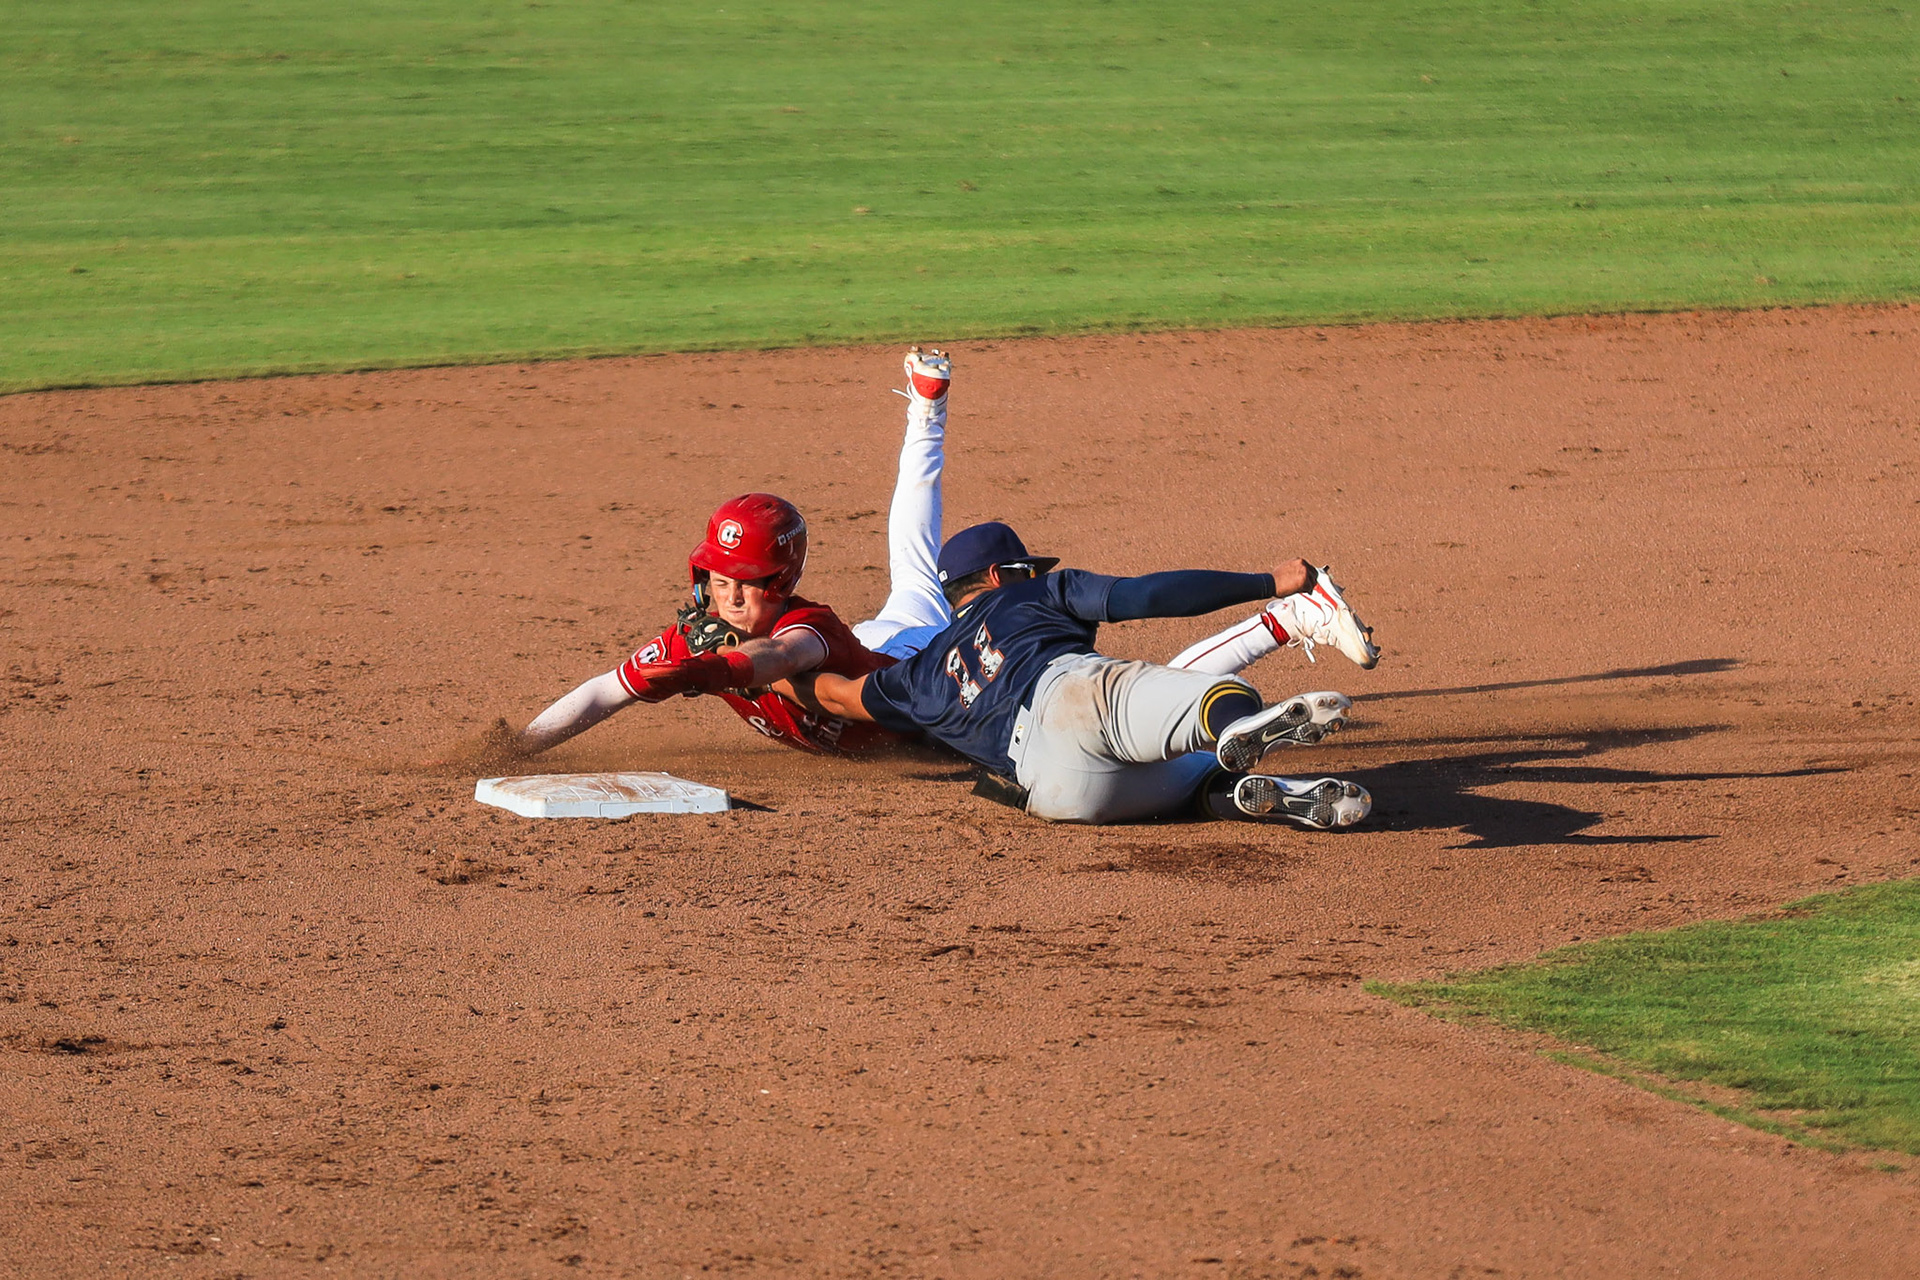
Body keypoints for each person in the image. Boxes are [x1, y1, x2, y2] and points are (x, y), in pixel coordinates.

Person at [489, 348, 1380, 765]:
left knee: (1058, 672)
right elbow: (608, 688)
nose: (725, 596)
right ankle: (926, 405)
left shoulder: (794, 635)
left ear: (783, 584)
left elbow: (774, 657)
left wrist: (711, 670)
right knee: (915, 570)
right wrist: (522, 748)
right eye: (715, 581)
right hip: (896, 641)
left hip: (925, 675)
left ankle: (1282, 615)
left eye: (745, 585)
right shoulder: (713, 629)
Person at [793, 522, 1375, 829]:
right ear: (1001, 574)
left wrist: (760, 674)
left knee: (1194, 780)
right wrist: (1267, 581)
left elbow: (837, 698)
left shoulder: (919, 675)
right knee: (1221, 699)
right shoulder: (1036, 591)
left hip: (1059, 793)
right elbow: (1148, 595)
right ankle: (1235, 726)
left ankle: (1249, 795)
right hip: (1070, 695)